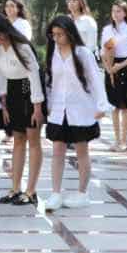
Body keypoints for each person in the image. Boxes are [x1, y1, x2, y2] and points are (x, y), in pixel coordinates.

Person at [41, 15, 111, 211]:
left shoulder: (83, 53)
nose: (56, 38)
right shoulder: (53, 53)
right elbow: (50, 81)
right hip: (58, 110)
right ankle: (55, 193)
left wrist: (102, 105)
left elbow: (95, 80)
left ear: (70, 33)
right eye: (53, 35)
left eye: (60, 34)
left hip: (81, 109)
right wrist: (48, 104)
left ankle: (82, 193)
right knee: (57, 151)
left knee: (82, 151)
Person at [0, 14, 45, 205]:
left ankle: (31, 191)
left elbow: (34, 76)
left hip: (28, 91)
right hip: (12, 92)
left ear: (4, 32)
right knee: (18, 139)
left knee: (33, 140)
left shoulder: (23, 47)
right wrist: (4, 104)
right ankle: (15, 188)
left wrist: (37, 107)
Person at [100, 0, 127, 152]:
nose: (115, 14)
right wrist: (108, 68)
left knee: (124, 106)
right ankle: (116, 140)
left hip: (124, 66)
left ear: (125, 13)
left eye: (119, 11)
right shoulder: (107, 30)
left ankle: (124, 141)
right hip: (110, 67)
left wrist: (119, 66)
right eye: (113, 11)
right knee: (114, 107)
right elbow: (103, 51)